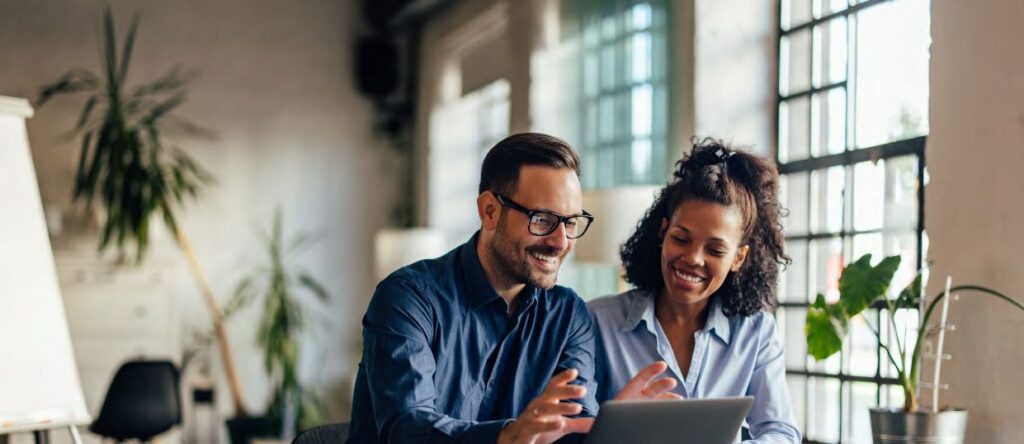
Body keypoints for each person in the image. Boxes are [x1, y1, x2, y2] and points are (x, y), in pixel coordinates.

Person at [347, 133, 676, 444]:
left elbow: (567, 432)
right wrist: (508, 437)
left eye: (571, 222)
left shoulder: (568, 315)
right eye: (542, 219)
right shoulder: (408, 298)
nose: (560, 242)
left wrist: (609, 429)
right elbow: (406, 429)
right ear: (490, 211)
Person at [588, 139, 802, 443]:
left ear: (738, 258)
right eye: (681, 238)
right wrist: (613, 428)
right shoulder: (598, 321)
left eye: (715, 249)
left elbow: (781, 432)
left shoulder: (755, 333)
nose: (693, 259)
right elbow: (569, 430)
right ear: (663, 231)